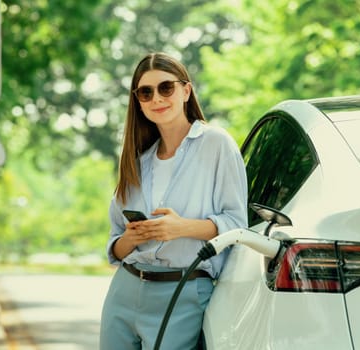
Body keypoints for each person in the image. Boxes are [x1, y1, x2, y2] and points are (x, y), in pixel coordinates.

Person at [99, 52, 248, 350]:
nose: (157, 98)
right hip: (125, 290)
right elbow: (116, 244)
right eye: (146, 92)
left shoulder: (216, 144)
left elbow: (237, 225)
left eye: (166, 87)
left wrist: (181, 228)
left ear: (185, 90)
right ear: (138, 101)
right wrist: (130, 238)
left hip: (183, 290)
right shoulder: (137, 161)